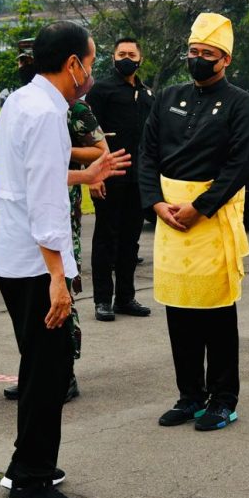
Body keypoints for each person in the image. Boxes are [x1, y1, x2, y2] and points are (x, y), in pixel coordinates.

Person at [0, 21, 130, 498]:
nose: (91, 73)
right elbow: (46, 202)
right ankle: (30, 485)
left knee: (37, 366)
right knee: (50, 372)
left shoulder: (20, 101)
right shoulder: (49, 113)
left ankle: (24, 465)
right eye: (89, 63)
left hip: (13, 257)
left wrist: (84, 174)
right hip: (36, 264)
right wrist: (57, 278)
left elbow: (37, 175)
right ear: (72, 64)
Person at [139, 13, 249, 431]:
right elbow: (147, 154)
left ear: (225, 59)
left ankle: (223, 400)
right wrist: (156, 203)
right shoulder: (167, 96)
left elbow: (240, 164)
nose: (198, 59)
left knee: (216, 313)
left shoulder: (240, 103)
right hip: (170, 218)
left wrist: (201, 206)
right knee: (179, 310)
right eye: (193, 51)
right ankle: (190, 395)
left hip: (211, 217)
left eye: (208, 53)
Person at [3, 39, 108, 402]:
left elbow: (99, 150)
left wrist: (60, 149)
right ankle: (41, 370)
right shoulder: (27, 104)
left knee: (59, 297)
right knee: (38, 308)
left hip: (56, 214)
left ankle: (64, 371)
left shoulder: (68, 107)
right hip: (32, 223)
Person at [86, 38, 154, 321]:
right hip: (108, 176)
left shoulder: (146, 93)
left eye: (131, 54)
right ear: (113, 57)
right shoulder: (101, 90)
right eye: (121, 53)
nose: (126, 58)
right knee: (106, 239)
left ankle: (125, 297)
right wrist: (93, 175)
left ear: (140, 59)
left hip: (138, 180)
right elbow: (87, 134)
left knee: (130, 241)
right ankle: (102, 299)